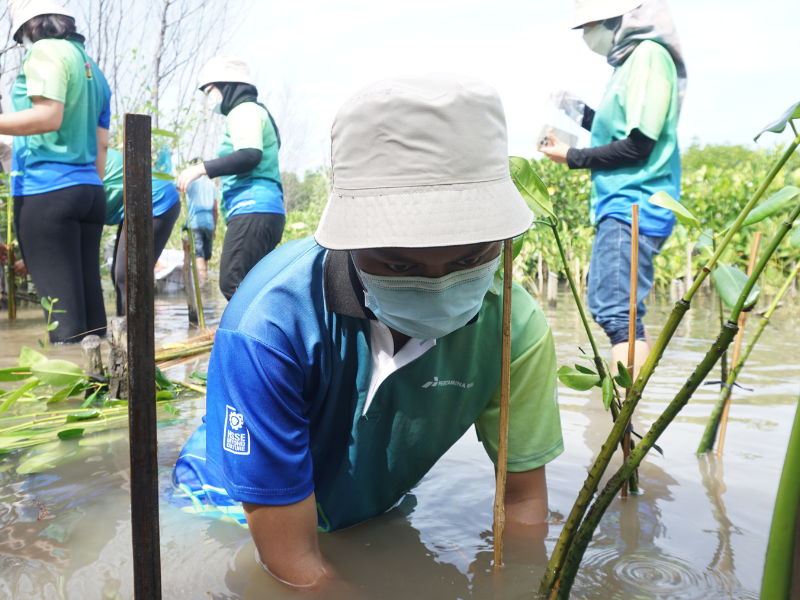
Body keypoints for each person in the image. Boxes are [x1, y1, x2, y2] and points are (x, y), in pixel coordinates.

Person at [174, 73, 564, 589]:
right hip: (229, 509)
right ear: (351, 244)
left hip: (369, 508)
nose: (440, 285)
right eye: (401, 266)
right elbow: (293, 564)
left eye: (471, 258)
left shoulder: (514, 325)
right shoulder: (270, 325)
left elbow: (521, 502)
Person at [539, 0, 685, 377]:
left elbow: (639, 145)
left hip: (634, 203)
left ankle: (624, 423)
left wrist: (571, 156)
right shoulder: (629, 63)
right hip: (621, 203)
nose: (587, 36)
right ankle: (633, 412)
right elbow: (614, 129)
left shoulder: (649, 57)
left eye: (590, 27)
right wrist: (574, 109)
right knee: (623, 313)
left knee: (615, 311)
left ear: (617, 20)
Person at [4, 0, 111, 343]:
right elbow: (102, 144)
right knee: (91, 314)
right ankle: (103, 387)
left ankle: (70, 392)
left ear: (27, 29)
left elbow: (49, 115)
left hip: (46, 192)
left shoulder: (45, 52)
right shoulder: (92, 66)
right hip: (89, 193)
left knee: (62, 318)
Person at [176, 55, 284, 301]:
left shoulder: (244, 110)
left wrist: (200, 168)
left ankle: (248, 339)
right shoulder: (252, 111)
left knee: (233, 283)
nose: (208, 97)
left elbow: (250, 155)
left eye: (209, 90)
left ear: (226, 86)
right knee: (253, 286)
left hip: (253, 208)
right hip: (263, 210)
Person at [102, 147, 180, 316]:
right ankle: (124, 330)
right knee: (120, 275)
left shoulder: (88, 159)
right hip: (135, 205)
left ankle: (135, 337)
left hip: (156, 200)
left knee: (128, 276)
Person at [185, 157, 218, 284]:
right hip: (209, 224)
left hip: (195, 223)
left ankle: (202, 288)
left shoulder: (189, 182)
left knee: (199, 255)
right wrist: (214, 228)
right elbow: (215, 208)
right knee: (206, 257)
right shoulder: (211, 184)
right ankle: (205, 286)